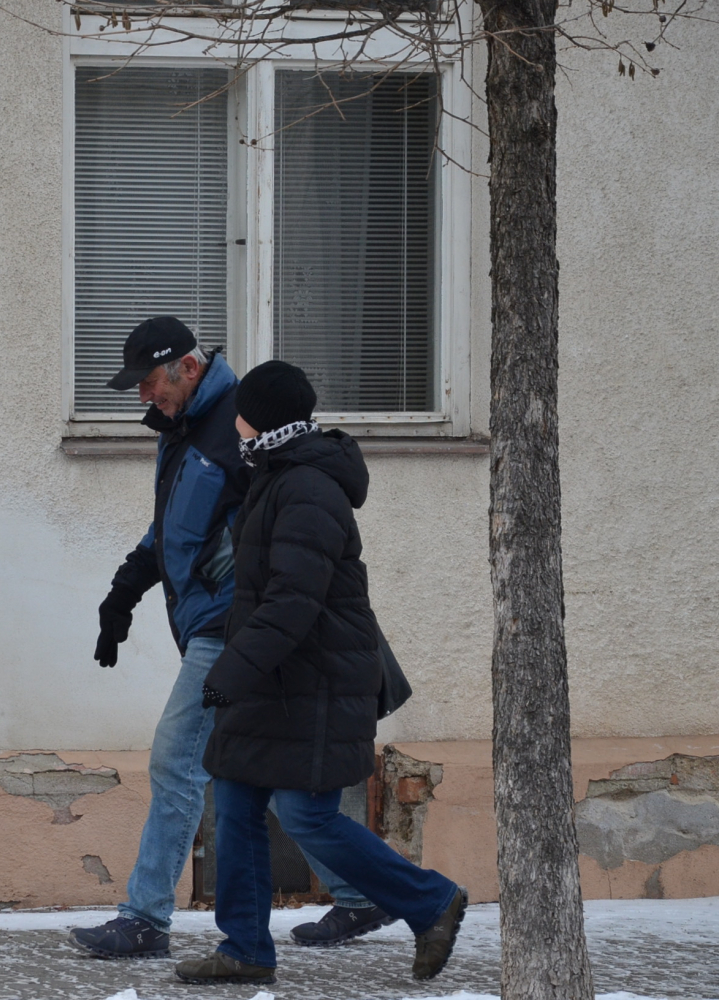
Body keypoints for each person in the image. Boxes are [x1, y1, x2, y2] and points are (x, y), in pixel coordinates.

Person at [70, 321, 387, 961]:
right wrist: (123, 591)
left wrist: (240, 611)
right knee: (279, 780)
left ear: (188, 368)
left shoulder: (244, 427)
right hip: (219, 625)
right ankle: (361, 895)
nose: (143, 397)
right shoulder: (187, 428)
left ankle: (145, 918)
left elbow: (274, 527)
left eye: (149, 382)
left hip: (231, 628)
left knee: (177, 761)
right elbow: (173, 529)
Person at [173, 360, 466, 985]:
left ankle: (431, 901)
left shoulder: (308, 486)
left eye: (241, 412)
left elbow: (293, 600)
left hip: (316, 683)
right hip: (276, 681)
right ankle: (245, 949)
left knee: (307, 816)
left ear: (261, 418)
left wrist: (232, 670)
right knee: (236, 802)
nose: (234, 422)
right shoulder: (274, 472)